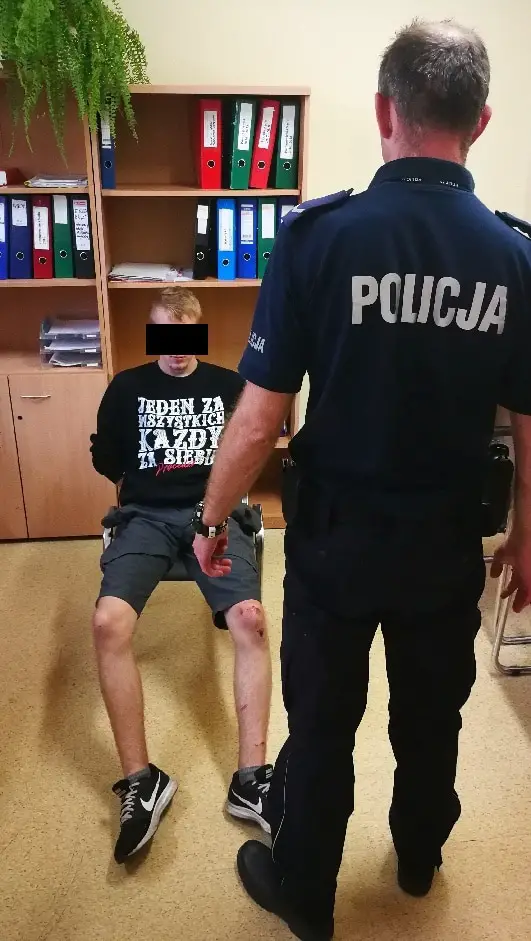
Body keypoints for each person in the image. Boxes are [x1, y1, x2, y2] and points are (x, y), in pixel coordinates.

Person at [192, 19, 531, 941]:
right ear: (481, 121)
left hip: (336, 543)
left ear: (384, 110)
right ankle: (418, 858)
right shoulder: (515, 257)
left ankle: (306, 892)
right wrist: (526, 535)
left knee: (323, 721)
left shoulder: (317, 237)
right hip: (444, 545)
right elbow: (528, 417)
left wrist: (211, 517)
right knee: (431, 714)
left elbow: (258, 416)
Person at [90, 286, 272, 864]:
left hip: (215, 514)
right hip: (145, 516)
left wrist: (214, 509)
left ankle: (251, 779)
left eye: (184, 335)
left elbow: (250, 454)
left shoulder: (228, 385)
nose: (174, 349)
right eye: (164, 336)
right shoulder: (127, 388)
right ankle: (141, 781)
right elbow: (106, 459)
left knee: (250, 620)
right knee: (108, 623)